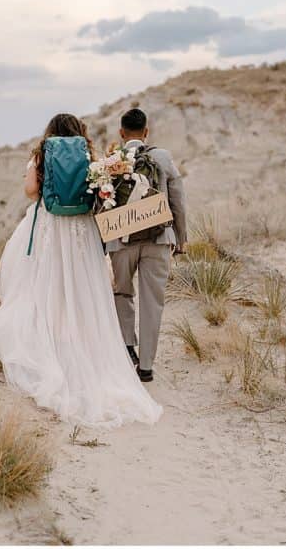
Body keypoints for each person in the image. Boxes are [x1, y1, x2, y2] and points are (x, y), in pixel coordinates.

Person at [0, 113, 162, 428]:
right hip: (81, 229)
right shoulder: (87, 155)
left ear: (50, 132)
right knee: (81, 289)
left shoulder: (41, 154)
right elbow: (97, 190)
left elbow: (30, 191)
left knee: (47, 284)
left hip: (51, 228)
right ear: (80, 132)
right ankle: (83, 344)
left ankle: (53, 343)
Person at [107, 108, 187, 382]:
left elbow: (101, 204)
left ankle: (128, 347)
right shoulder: (162, 157)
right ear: (146, 132)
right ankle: (147, 366)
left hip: (121, 240)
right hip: (159, 237)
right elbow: (177, 199)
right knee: (153, 302)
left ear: (121, 133)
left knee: (122, 293)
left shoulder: (112, 160)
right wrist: (181, 237)